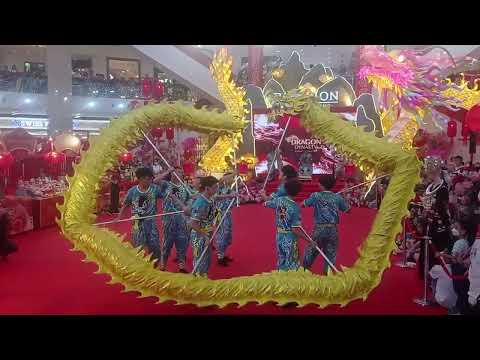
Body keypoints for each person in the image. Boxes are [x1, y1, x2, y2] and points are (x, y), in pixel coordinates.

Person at [116, 167, 164, 267]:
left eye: (150, 179)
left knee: (155, 247)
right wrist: (119, 217)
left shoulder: (155, 189)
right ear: (140, 179)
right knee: (137, 247)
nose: (149, 181)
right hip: (137, 224)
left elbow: (166, 197)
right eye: (147, 179)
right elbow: (125, 204)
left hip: (151, 223)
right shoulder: (132, 191)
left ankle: (154, 266)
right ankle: (139, 267)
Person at [302, 175, 350, 274]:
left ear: (320, 184)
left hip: (319, 229)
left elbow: (304, 204)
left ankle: (303, 272)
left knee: (311, 251)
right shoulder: (337, 197)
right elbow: (348, 209)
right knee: (330, 255)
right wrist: (344, 196)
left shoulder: (316, 196)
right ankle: (328, 276)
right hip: (333, 230)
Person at [156, 167, 192, 273]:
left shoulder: (185, 187)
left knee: (182, 242)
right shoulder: (166, 185)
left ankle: (181, 266)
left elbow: (190, 198)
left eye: (181, 172)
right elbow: (155, 181)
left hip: (181, 219)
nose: (179, 174)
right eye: (176, 172)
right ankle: (162, 265)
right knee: (167, 242)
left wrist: (188, 207)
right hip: (168, 219)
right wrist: (167, 171)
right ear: (172, 174)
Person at [263, 179, 304, 271]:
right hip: (290, 237)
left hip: (279, 235)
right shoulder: (295, 207)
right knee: (292, 261)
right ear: (298, 192)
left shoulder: (279, 200)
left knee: (281, 259)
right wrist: (308, 240)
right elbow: (295, 229)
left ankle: (280, 279)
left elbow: (265, 203)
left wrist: (264, 196)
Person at [189, 176, 219, 277]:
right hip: (199, 236)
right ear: (207, 188)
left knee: (207, 259)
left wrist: (231, 195)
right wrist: (205, 236)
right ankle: (197, 282)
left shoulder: (209, 198)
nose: (217, 190)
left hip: (207, 233)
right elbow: (192, 223)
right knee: (200, 260)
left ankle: (203, 278)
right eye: (215, 187)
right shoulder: (201, 203)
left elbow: (218, 197)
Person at [214, 172, 239, 266]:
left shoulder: (229, 189)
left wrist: (234, 194)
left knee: (227, 234)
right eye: (231, 178)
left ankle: (223, 253)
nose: (233, 180)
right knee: (222, 234)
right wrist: (229, 196)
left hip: (227, 213)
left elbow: (233, 195)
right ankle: (220, 256)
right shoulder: (218, 188)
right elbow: (215, 197)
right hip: (219, 213)